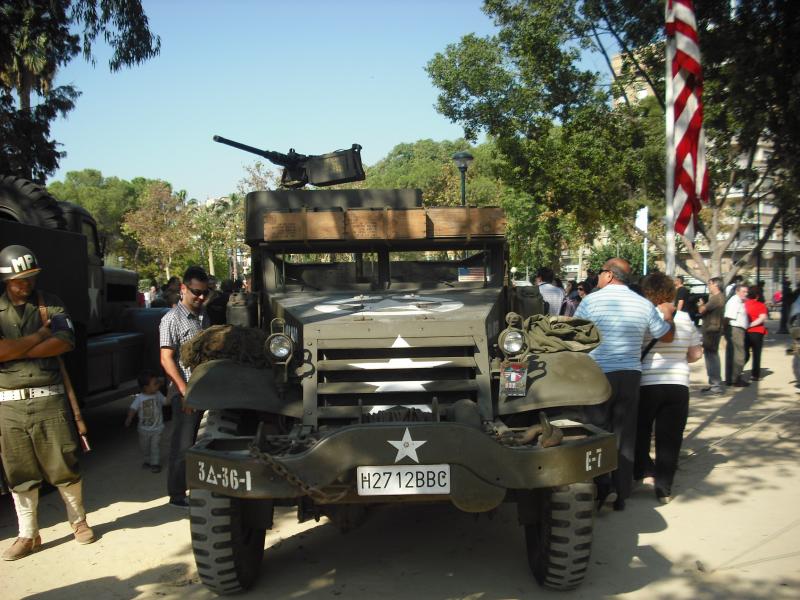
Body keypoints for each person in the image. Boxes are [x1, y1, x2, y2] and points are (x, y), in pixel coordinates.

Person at [0, 245, 96, 561]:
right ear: (6, 280)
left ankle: (78, 521)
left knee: (63, 464)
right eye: (20, 279)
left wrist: (15, 350)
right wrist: (37, 338)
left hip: (49, 398)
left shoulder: (50, 303)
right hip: (9, 404)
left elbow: (64, 342)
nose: (26, 284)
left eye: (31, 277)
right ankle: (28, 534)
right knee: (18, 472)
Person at [574, 258, 675, 511]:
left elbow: (574, 333)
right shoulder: (643, 304)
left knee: (596, 431)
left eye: (600, 272)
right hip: (630, 376)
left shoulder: (591, 301)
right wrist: (668, 315)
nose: (598, 277)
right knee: (625, 435)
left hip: (598, 375)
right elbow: (664, 335)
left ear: (609, 275)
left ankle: (602, 486)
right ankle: (621, 493)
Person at [635, 272, 702, 504]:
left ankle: (644, 471)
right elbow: (695, 354)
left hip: (647, 383)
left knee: (640, 431)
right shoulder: (684, 318)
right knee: (670, 438)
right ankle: (664, 488)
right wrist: (679, 357)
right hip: (678, 384)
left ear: (647, 292)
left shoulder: (645, 316)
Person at [160, 266, 211, 508]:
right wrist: (184, 390)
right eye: (196, 292)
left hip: (204, 389)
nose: (200, 297)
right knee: (183, 444)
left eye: (204, 293)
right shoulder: (171, 319)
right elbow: (166, 359)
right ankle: (177, 494)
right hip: (185, 393)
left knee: (199, 442)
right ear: (183, 288)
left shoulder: (203, 316)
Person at [125, 370, 166, 473]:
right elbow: (133, 408)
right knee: (145, 447)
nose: (158, 385)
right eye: (155, 384)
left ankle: (155, 463)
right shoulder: (140, 398)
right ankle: (147, 461)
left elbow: (165, 401)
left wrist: (172, 396)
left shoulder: (158, 394)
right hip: (143, 430)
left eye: (157, 383)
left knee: (155, 446)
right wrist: (129, 418)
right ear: (146, 387)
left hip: (157, 428)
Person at [697, 277, 725, 394]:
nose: (708, 286)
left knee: (711, 357)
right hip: (713, 329)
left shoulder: (716, 298)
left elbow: (702, 310)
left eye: (710, 284)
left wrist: (701, 304)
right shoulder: (719, 297)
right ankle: (714, 383)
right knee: (712, 356)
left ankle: (715, 385)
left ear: (716, 285)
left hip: (711, 330)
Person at [724, 283, 750, 387]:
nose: (746, 293)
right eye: (743, 291)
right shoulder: (735, 301)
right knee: (739, 355)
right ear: (737, 291)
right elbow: (728, 317)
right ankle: (735, 379)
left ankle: (731, 378)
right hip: (735, 329)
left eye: (746, 292)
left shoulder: (740, 301)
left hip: (738, 329)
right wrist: (726, 331)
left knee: (734, 354)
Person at [744, 288, 768, 381]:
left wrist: (747, 325)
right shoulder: (761, 305)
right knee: (757, 354)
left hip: (746, 332)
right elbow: (762, 318)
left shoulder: (744, 304)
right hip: (758, 332)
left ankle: (738, 369)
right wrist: (752, 324)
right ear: (757, 296)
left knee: (745, 353)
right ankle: (755, 375)